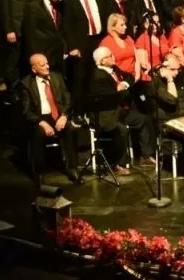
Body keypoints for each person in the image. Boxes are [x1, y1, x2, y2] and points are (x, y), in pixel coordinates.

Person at [86, 45, 154, 174]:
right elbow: (113, 97)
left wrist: (124, 84)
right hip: (105, 115)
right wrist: (123, 92)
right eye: (109, 56)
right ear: (102, 61)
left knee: (143, 120)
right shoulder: (98, 77)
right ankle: (116, 165)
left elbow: (129, 77)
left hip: (120, 111)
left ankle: (146, 156)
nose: (113, 57)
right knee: (120, 129)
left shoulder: (115, 69)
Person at [18, 53, 78, 182]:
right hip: (39, 117)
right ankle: (39, 172)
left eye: (47, 63)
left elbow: (68, 100)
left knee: (70, 130)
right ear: (34, 69)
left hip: (58, 115)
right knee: (38, 134)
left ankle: (73, 168)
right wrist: (42, 123)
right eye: (43, 65)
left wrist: (64, 116)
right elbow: (26, 111)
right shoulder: (26, 84)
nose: (47, 66)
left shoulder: (57, 77)